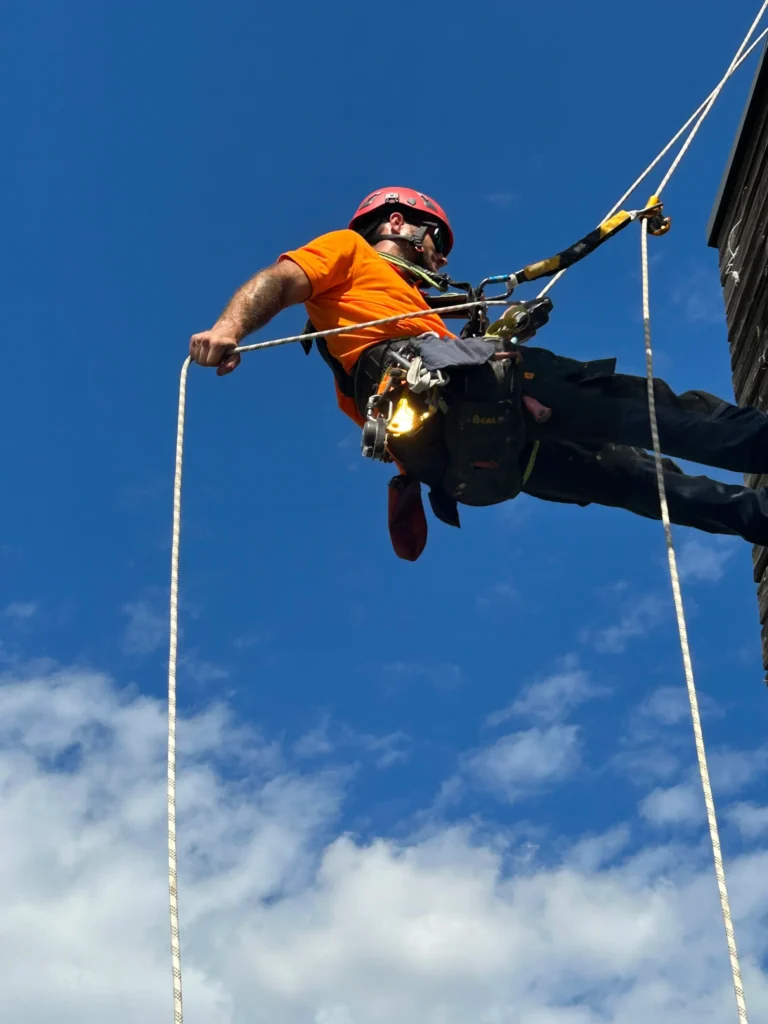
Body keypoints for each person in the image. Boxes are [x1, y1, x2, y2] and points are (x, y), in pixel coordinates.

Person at [190, 186, 768, 559]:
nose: (440, 259)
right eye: (435, 243)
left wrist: (480, 335)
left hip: (473, 448)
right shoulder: (349, 251)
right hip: (469, 401)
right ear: (397, 222)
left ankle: (760, 519)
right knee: (653, 412)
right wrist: (229, 328)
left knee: (645, 482)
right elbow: (279, 279)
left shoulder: (405, 313)